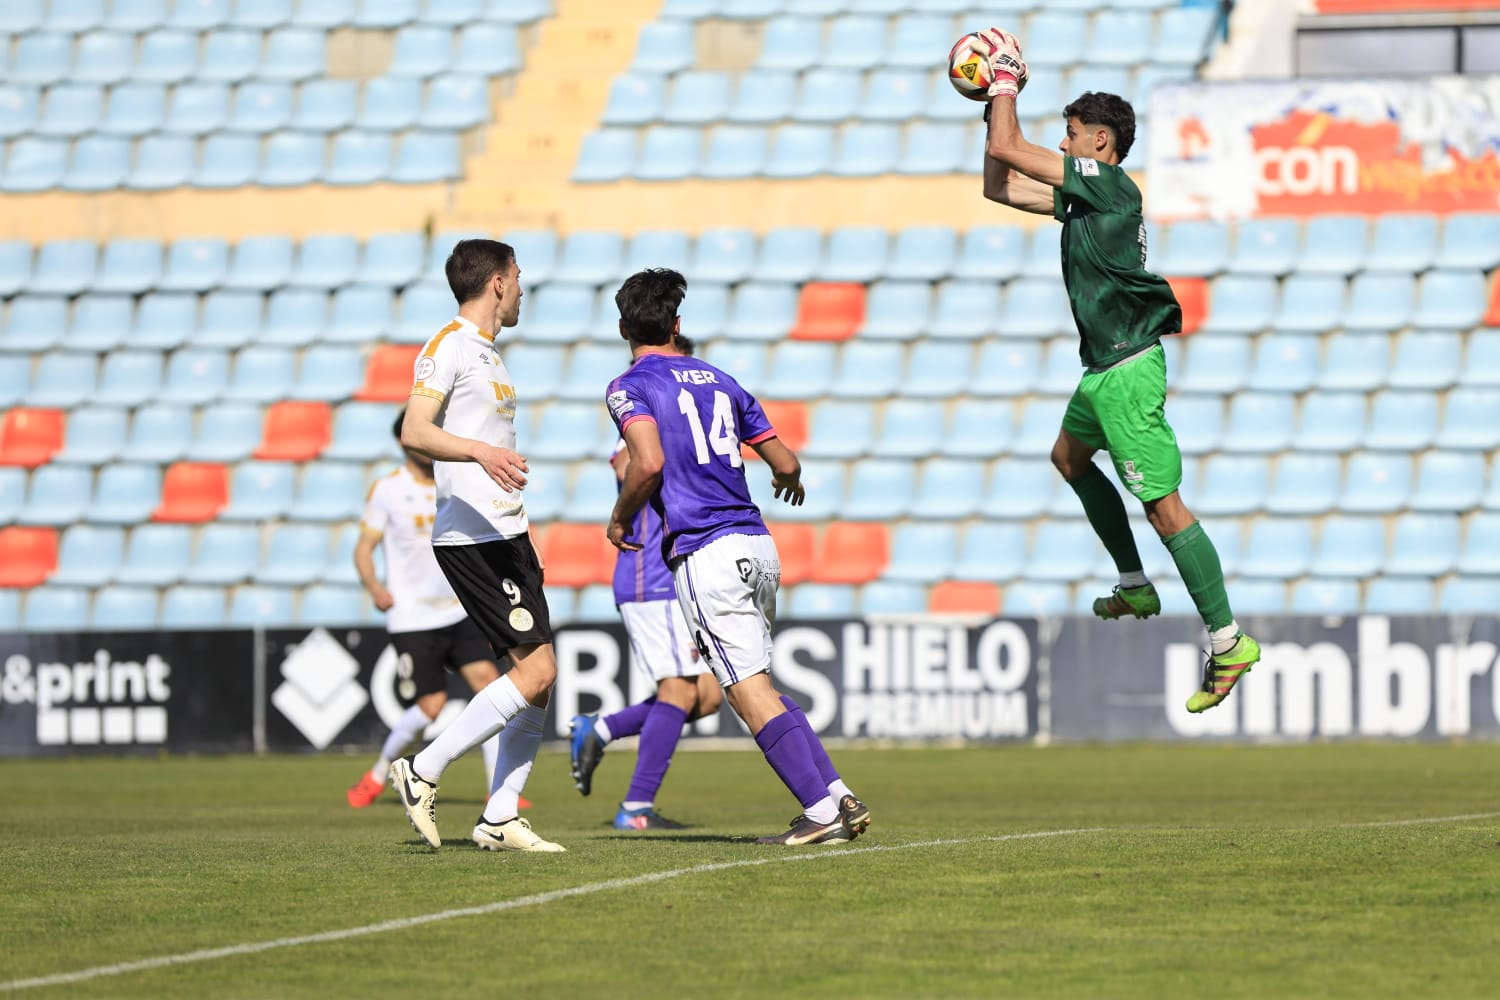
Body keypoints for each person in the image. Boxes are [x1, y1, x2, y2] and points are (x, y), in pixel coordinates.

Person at [972, 29, 1260, 713]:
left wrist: (1007, 80)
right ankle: (1134, 583)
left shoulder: (1110, 185)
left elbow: (1012, 151)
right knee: (1069, 458)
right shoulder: (1085, 198)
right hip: (1100, 370)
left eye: (1072, 135)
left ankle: (1228, 642)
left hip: (1128, 369)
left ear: (1101, 142)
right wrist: (988, 102)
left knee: (1163, 509)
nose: (1065, 145)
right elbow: (999, 182)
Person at [604, 268, 871, 846]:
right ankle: (836, 796)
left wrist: (622, 516)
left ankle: (820, 814)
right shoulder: (721, 380)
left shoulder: (630, 385)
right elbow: (785, 460)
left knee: (745, 693)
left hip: (705, 550)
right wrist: (789, 480)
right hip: (757, 544)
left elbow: (645, 463)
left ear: (625, 327)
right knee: (762, 682)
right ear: (677, 324)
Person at [389, 238, 563, 852]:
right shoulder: (448, 347)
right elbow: (416, 429)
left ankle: (500, 816)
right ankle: (423, 769)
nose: (521, 287)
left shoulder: (489, 354)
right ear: (495, 283)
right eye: (517, 275)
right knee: (537, 671)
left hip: (506, 533)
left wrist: (525, 530)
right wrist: (482, 452)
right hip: (472, 536)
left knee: (539, 676)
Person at [569, 334, 725, 831]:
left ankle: (602, 728)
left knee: (709, 695)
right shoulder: (645, 414)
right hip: (649, 571)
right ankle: (636, 809)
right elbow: (629, 461)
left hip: (676, 572)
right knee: (678, 691)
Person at [346, 410, 504, 810]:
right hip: (413, 616)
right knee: (430, 705)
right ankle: (380, 772)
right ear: (406, 440)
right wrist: (375, 586)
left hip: (459, 608)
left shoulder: (452, 483)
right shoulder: (387, 490)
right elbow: (363, 548)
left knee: (492, 689)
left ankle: (497, 790)